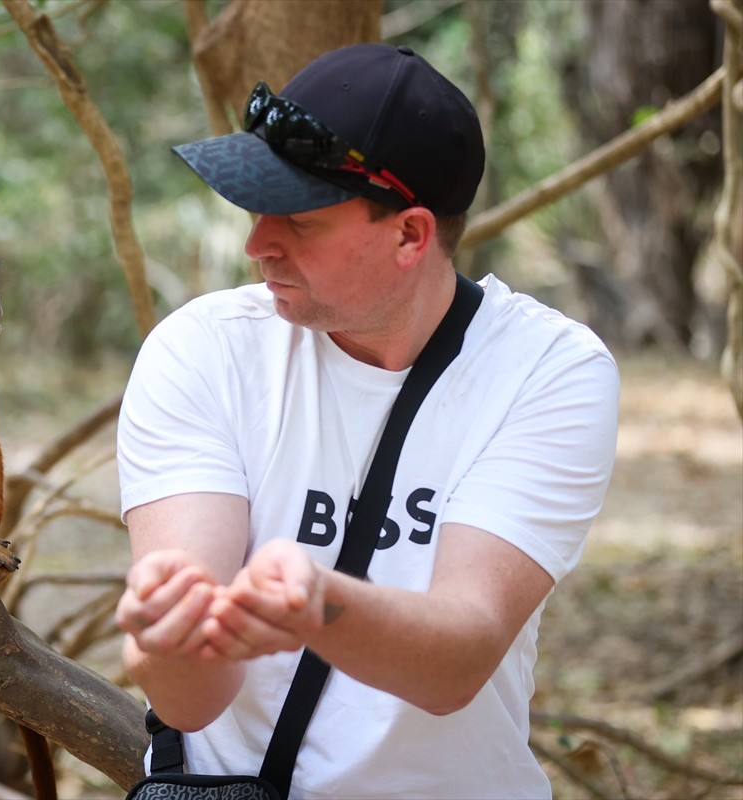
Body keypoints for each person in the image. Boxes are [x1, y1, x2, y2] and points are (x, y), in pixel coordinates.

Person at [114, 43, 620, 799]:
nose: (257, 245)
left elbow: (457, 659)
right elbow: (191, 704)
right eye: (256, 208)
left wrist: (316, 603)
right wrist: (166, 638)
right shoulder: (205, 352)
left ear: (411, 235)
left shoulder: (546, 371)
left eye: (299, 220)